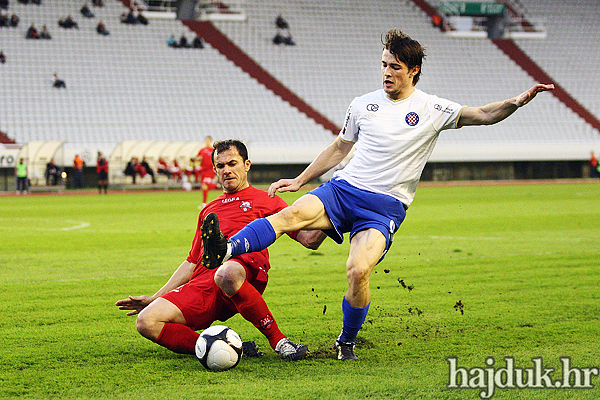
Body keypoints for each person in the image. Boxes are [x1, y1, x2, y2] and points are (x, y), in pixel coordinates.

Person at [201, 28, 555, 361]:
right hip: (344, 190)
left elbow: (483, 114)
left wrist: (516, 102)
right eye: (384, 64)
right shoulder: (362, 104)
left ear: (413, 71)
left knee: (357, 271)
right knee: (289, 215)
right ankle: (226, 248)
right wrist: (301, 178)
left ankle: (346, 341)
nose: (386, 72)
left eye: (395, 67)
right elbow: (340, 148)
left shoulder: (432, 108)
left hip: (384, 206)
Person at [115, 140, 326, 360]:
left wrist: (331, 212)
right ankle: (226, 347)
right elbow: (191, 262)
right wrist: (155, 297)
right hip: (203, 283)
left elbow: (309, 239)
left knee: (226, 273)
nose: (226, 170)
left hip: (243, 271)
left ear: (246, 165)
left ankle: (280, 342)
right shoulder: (209, 210)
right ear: (215, 169)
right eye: (221, 166)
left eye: (232, 163)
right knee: (146, 321)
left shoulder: (268, 201)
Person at [197, 135, 217, 208]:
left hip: (209, 170)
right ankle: (204, 203)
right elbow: (199, 157)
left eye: (208, 140)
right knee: (204, 186)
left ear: (210, 141)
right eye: (206, 140)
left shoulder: (213, 150)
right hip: (203, 170)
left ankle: (217, 185)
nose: (207, 141)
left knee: (205, 185)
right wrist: (196, 159)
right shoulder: (202, 150)